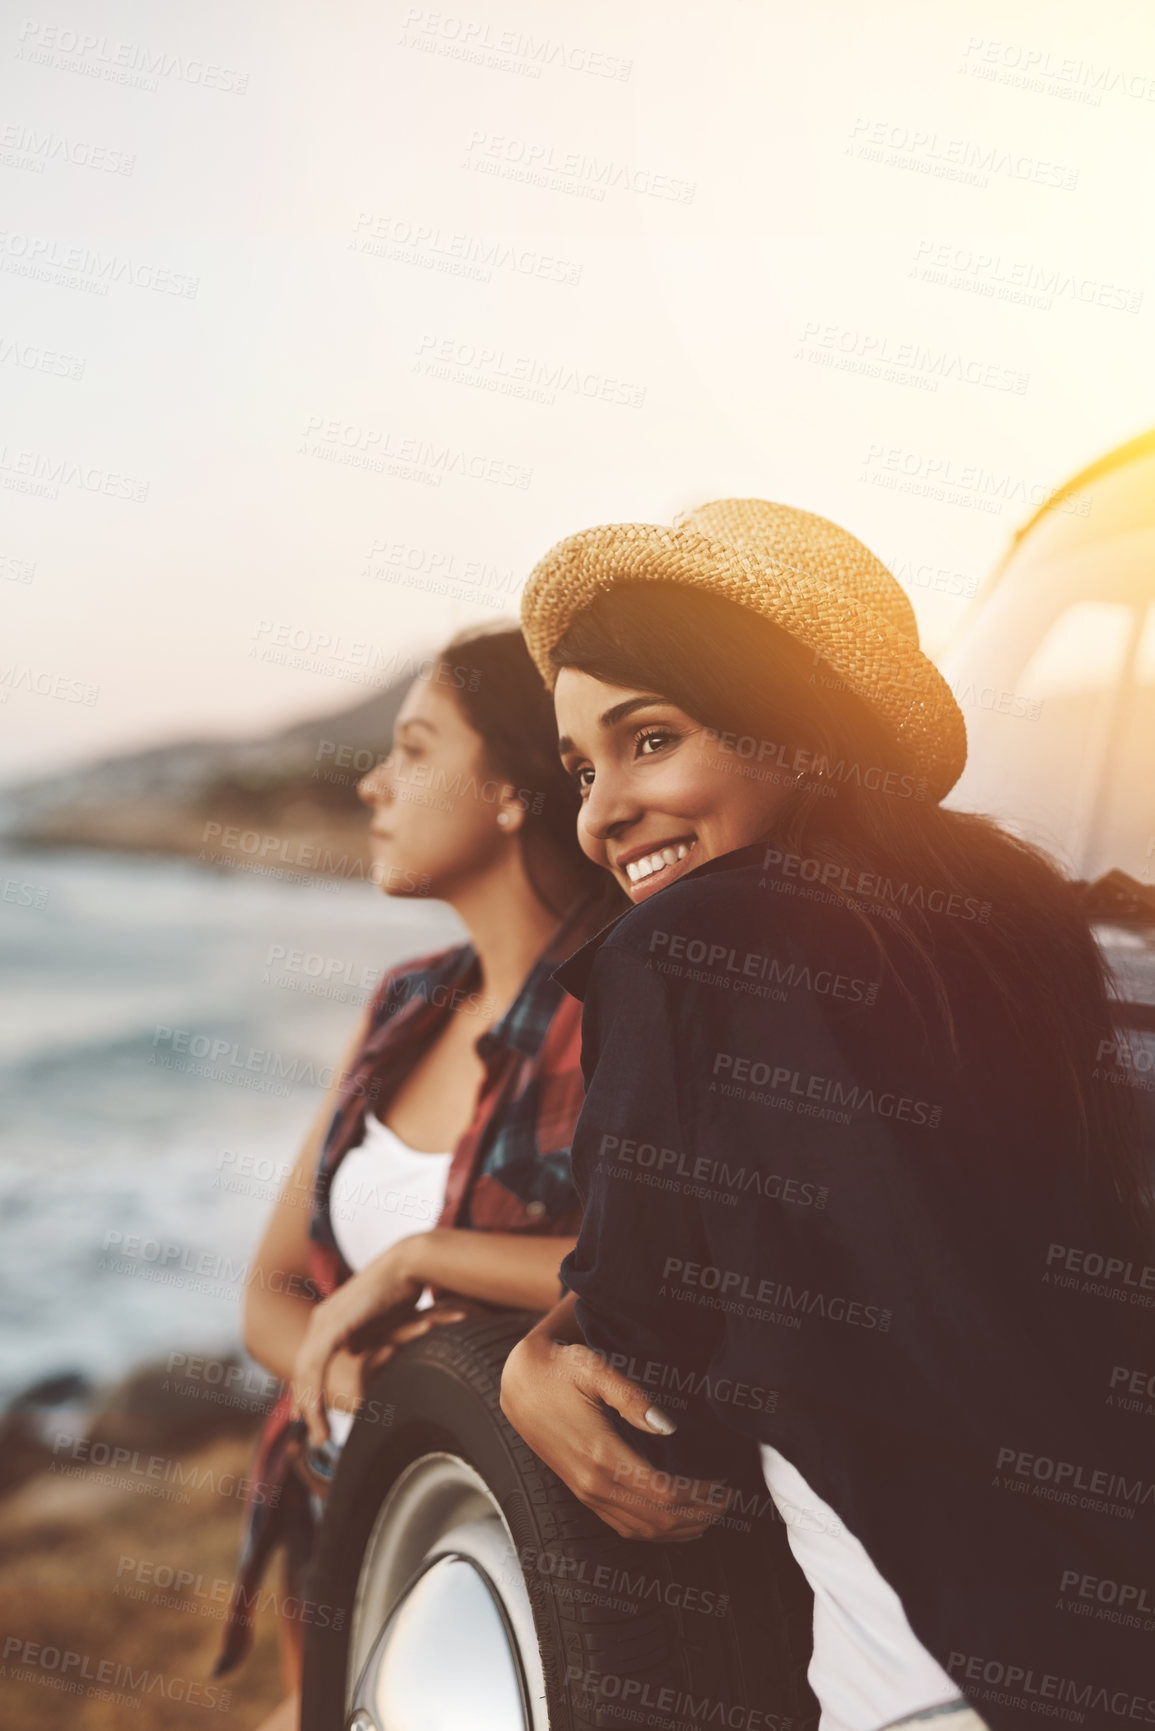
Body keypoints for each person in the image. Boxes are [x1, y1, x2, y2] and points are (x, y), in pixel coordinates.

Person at [499, 499, 1155, 1731]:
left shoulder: (690, 945)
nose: (599, 815)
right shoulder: (1016, 928)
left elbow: (647, 1360)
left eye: (650, 740)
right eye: (584, 769)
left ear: (790, 729)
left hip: (939, 1673)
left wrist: (532, 1361)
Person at [214, 622, 624, 1728]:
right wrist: (360, 1384)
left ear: (509, 789)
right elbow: (271, 1293)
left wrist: (418, 1266)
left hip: (525, 1599)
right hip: (353, 1537)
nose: (371, 784)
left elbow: (685, 1276)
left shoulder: (632, 1010)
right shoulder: (405, 1004)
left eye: (412, 748)